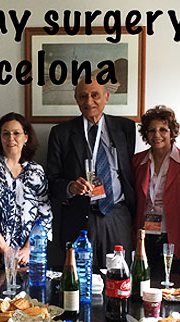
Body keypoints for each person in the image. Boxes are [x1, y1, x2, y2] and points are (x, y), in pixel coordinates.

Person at [46, 73, 137, 268]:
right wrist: (70, 187)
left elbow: (131, 171)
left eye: (95, 95)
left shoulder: (126, 128)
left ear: (106, 97)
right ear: (76, 99)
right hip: (78, 219)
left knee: (118, 276)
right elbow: (51, 181)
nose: (89, 102)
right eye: (83, 96)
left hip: (117, 215)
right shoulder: (61, 133)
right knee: (79, 279)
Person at [0, 112, 52, 270]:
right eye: (5, 133)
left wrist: (28, 248)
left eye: (16, 133)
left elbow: (44, 214)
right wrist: (4, 248)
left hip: (26, 256)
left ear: (26, 137)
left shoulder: (36, 171)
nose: (10, 138)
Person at [132, 105, 180, 281]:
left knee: (169, 288)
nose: (157, 135)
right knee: (142, 287)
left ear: (172, 132)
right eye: (152, 130)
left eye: (163, 129)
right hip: (144, 239)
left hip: (174, 240)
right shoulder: (137, 161)